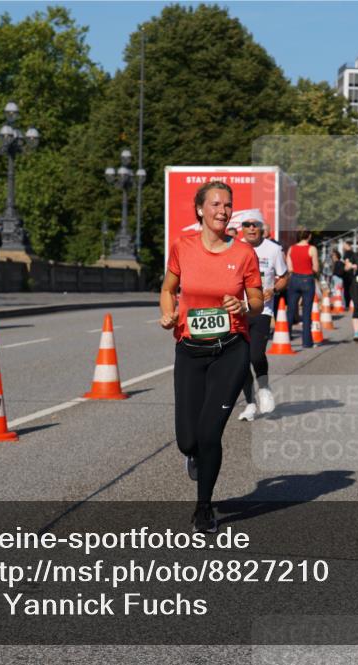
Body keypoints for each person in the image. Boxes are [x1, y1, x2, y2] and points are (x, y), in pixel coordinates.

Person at [160, 181, 263, 533]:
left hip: (230, 349)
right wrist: (168, 313)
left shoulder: (244, 253)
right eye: (216, 204)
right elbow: (168, 289)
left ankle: (204, 508)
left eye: (228, 205)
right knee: (187, 440)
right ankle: (194, 456)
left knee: (209, 433)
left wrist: (243, 306)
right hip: (190, 351)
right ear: (200, 209)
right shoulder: (183, 246)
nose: (223, 210)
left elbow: (257, 301)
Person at [235, 209, 288, 422]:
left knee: (255, 355)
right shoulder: (233, 248)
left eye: (254, 224)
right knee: (240, 361)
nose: (251, 228)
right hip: (238, 311)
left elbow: (284, 276)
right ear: (242, 228)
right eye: (246, 225)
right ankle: (250, 403)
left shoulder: (273, 250)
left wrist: (273, 289)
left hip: (262, 310)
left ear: (261, 227)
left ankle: (264, 387)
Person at [285, 229, 319, 349]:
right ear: (309, 236)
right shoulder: (312, 249)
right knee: (306, 312)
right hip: (307, 279)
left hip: (294, 279)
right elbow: (316, 268)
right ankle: (307, 342)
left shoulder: (291, 248)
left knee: (290, 310)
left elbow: (289, 268)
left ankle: (286, 337)